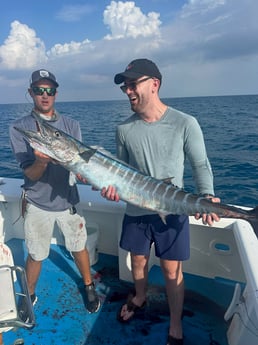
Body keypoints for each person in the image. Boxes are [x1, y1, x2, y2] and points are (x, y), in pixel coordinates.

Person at [101, 59, 220, 345]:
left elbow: (200, 164)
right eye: (125, 86)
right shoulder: (124, 129)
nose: (128, 91)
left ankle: (175, 322)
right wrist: (112, 189)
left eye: (133, 84)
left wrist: (206, 195)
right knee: (138, 262)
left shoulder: (185, 122)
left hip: (173, 207)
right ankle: (140, 297)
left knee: (171, 270)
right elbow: (122, 171)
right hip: (136, 210)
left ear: (154, 84)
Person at [9, 69, 100, 322]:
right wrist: (41, 161)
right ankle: (29, 294)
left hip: (68, 199)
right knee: (36, 253)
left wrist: (85, 174)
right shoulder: (19, 128)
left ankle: (89, 286)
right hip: (37, 201)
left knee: (78, 245)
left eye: (49, 90)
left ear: (56, 93)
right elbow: (31, 173)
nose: (44, 95)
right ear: (31, 93)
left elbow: (78, 165)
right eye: (39, 90)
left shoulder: (72, 125)